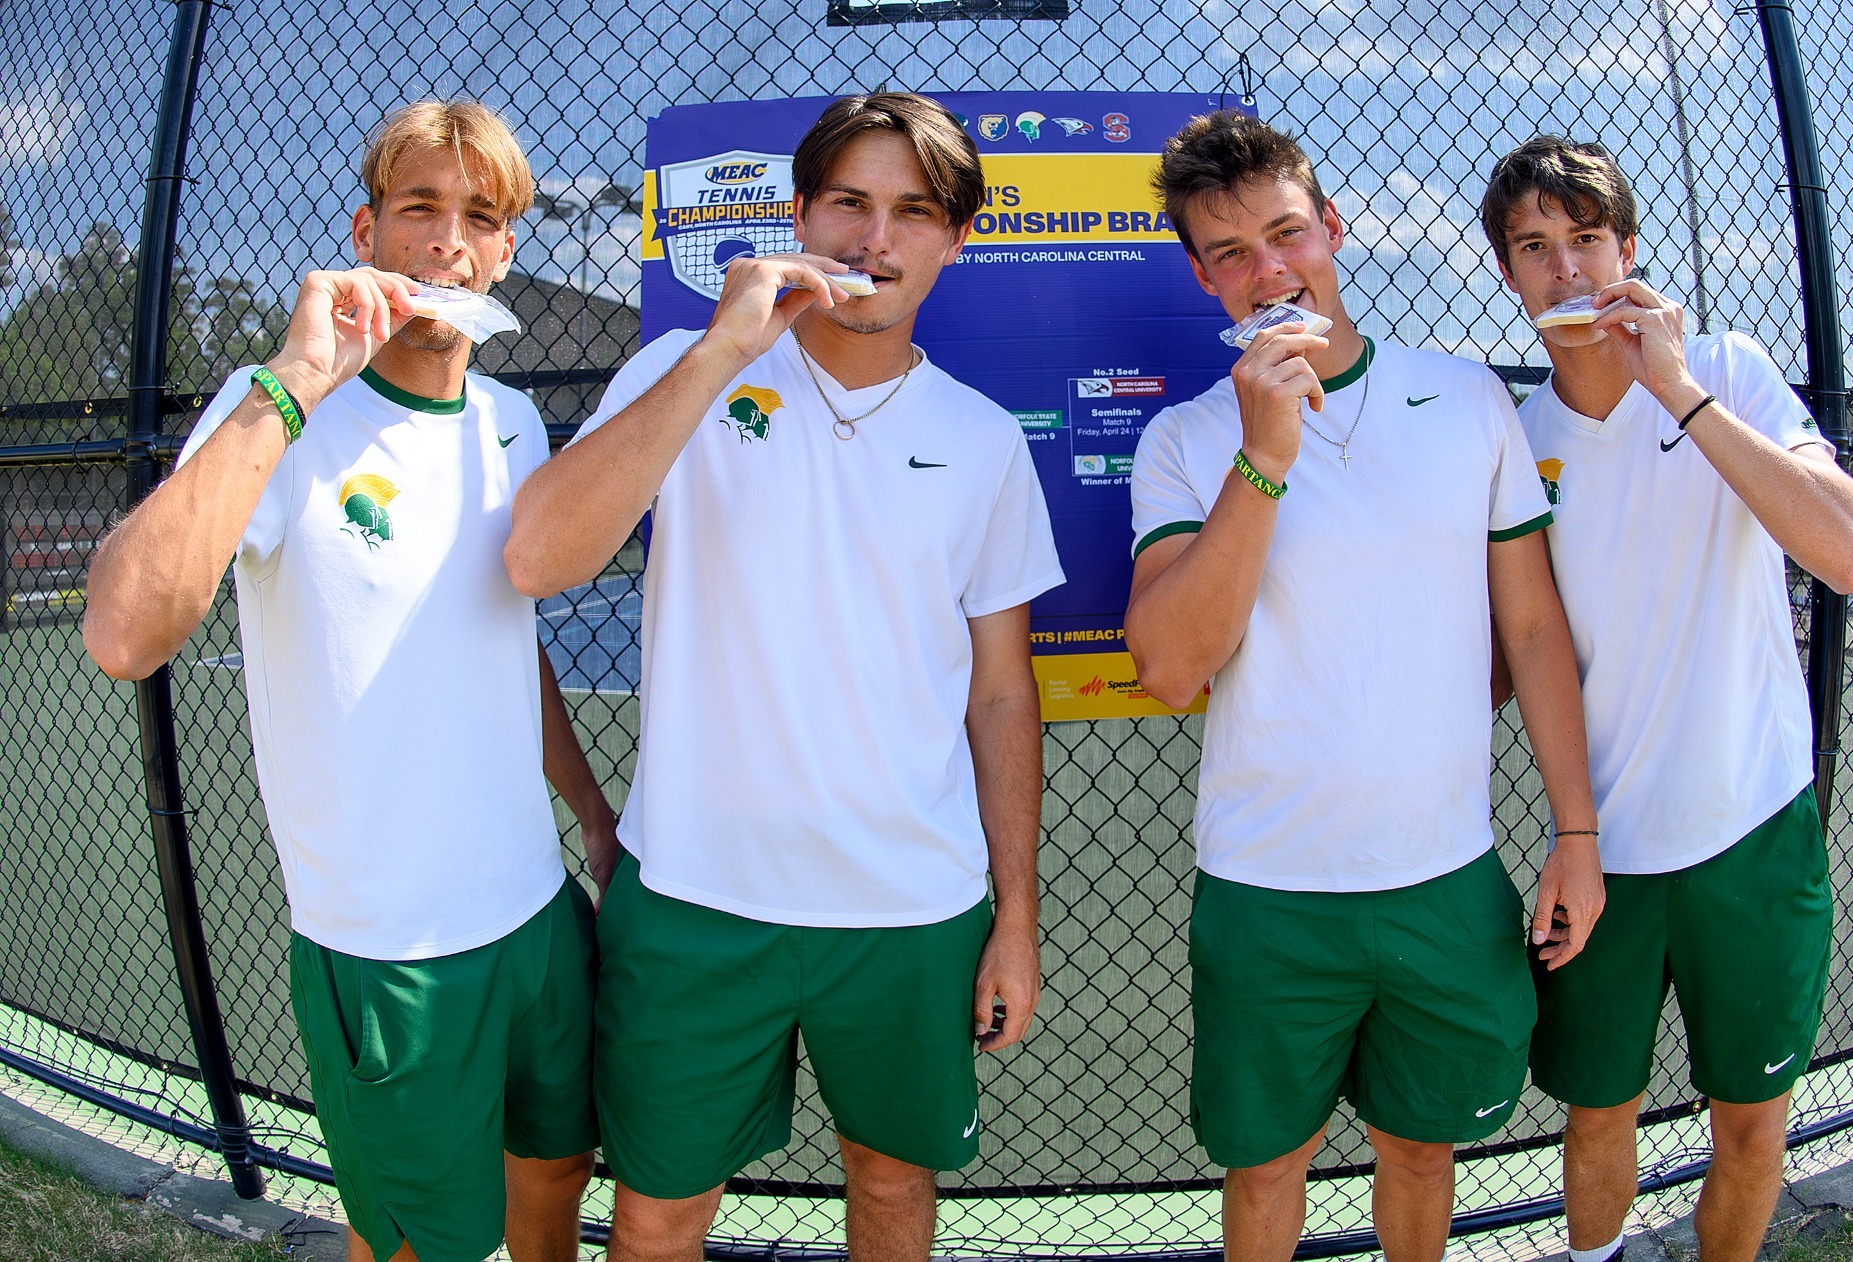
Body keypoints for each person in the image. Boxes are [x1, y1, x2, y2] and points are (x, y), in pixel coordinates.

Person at [505, 92, 1063, 1262]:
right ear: (798, 215)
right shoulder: (684, 368)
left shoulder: (981, 437)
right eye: (849, 203)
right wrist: (723, 348)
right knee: (659, 1206)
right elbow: (540, 556)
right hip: (699, 895)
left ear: (952, 240)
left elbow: (1002, 691)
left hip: (909, 906)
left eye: (913, 211)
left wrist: (1014, 911)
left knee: (894, 1186)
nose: (876, 239)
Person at [82, 100, 616, 1262]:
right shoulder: (272, 409)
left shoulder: (515, 421)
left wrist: (589, 812)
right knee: (425, 1245)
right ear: (366, 231)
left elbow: (504, 637)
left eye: (479, 216)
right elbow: (124, 634)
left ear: (506, 251)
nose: (447, 242)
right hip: (386, 949)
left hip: (533, 916)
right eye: (420, 207)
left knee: (555, 1182)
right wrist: (290, 378)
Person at [1123, 111, 1604, 1262]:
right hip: (1265, 885)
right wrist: (1265, 453)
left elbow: (1531, 629)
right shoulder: (1183, 440)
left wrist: (1575, 831)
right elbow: (1172, 663)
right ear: (1200, 277)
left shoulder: (1465, 395)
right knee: (1265, 1165)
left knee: (1420, 1150)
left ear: (1331, 228)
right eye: (1230, 253)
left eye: (1285, 233)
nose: (1268, 270)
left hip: (1441, 876)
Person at [1480, 135, 1853, 1262]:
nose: (1566, 271)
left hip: (1750, 826)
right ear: (1508, 276)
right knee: (1594, 1110)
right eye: (1534, 247)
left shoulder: (1725, 367)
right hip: (1599, 845)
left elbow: (1846, 556)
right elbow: (1505, 655)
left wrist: (1677, 390)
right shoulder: (1515, 440)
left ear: (1628, 251)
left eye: (1586, 240)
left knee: (1748, 1118)